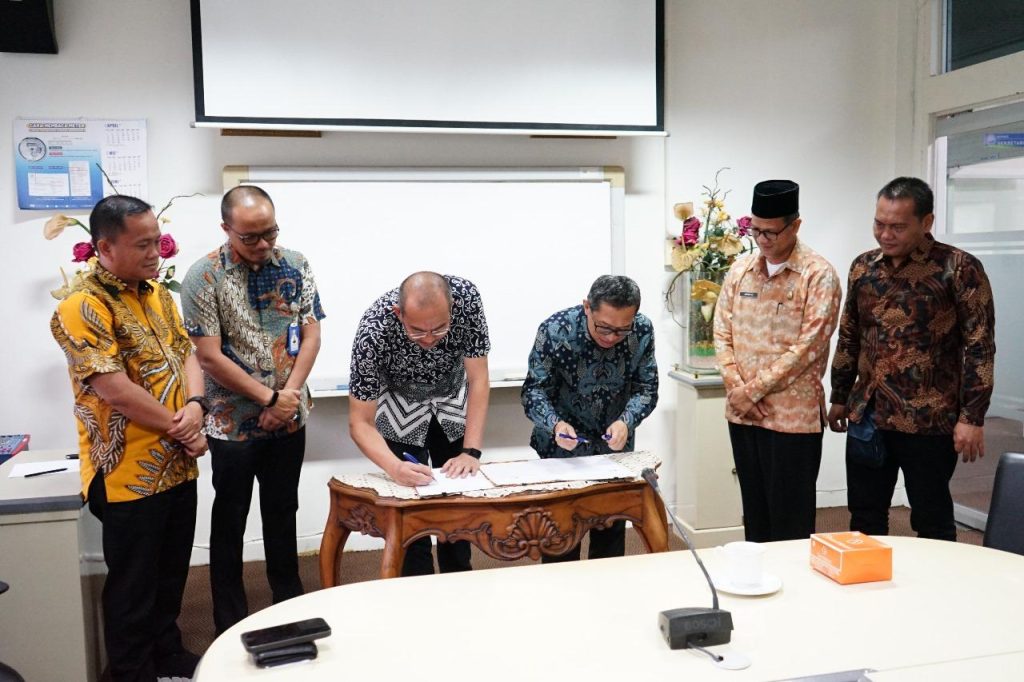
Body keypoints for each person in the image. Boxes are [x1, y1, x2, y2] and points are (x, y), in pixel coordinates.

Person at [51, 194, 206, 682]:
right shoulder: (83, 306)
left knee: (170, 575)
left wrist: (197, 408)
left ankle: (168, 654)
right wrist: (180, 426)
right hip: (125, 475)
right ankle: (131, 670)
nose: (154, 253)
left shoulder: (158, 293)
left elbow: (188, 355)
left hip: (178, 462)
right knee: (132, 586)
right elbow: (112, 388)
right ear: (104, 247)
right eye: (141, 245)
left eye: (155, 242)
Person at [180, 185, 325, 634]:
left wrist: (287, 397)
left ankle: (288, 604)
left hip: (288, 418)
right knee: (231, 519)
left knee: (283, 512)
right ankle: (228, 618)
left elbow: (312, 332)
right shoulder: (203, 276)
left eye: (271, 232)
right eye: (251, 237)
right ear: (227, 230)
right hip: (232, 425)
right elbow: (208, 356)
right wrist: (267, 399)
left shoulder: (296, 263)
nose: (264, 244)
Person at [828, 177, 995, 541]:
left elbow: (980, 345)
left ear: (926, 222)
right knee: (865, 515)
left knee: (931, 517)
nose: (885, 234)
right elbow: (850, 334)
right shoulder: (863, 267)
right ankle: (867, 591)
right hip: (868, 412)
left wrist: (972, 416)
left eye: (897, 226)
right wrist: (839, 396)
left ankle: (936, 593)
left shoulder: (959, 268)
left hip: (929, 417)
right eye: (879, 223)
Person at [714, 180, 842, 542]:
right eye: (756, 231)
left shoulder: (818, 275)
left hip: (791, 421)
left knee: (790, 522)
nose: (763, 240)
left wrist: (751, 391)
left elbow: (809, 348)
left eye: (771, 232)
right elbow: (721, 331)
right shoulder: (740, 269)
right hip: (744, 415)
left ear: (795, 225)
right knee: (755, 516)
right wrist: (737, 389)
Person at [348, 272, 490, 576]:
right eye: (416, 331)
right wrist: (393, 467)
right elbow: (359, 422)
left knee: (456, 505)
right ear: (399, 314)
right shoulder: (374, 329)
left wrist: (472, 451)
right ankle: (416, 588)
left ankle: (460, 580)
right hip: (400, 405)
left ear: (452, 308)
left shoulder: (467, 299)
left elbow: (478, 379)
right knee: (411, 510)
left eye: (439, 329)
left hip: (451, 401)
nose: (428, 339)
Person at [521, 275, 658, 561]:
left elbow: (647, 389)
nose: (610, 337)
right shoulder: (555, 330)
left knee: (609, 540)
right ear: (587, 307)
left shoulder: (642, 330)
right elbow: (533, 392)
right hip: (561, 449)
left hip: (614, 449)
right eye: (603, 327)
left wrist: (627, 421)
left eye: (621, 330)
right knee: (560, 541)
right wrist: (555, 424)